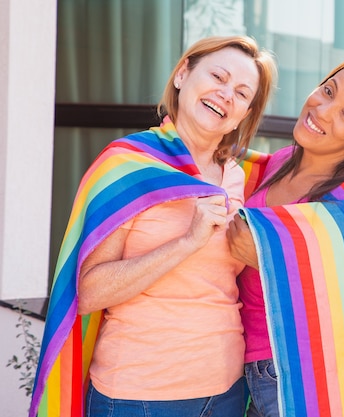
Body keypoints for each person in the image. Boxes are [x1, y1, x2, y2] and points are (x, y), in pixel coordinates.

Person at [29, 35, 277, 417]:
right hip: (137, 394)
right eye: (218, 76)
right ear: (182, 74)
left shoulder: (243, 177)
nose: (226, 94)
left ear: (245, 113)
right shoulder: (128, 166)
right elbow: (90, 291)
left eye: (242, 93)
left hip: (226, 390)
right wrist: (187, 241)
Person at [227, 54, 344, 417]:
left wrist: (267, 253)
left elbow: (343, 293)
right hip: (237, 370)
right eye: (328, 90)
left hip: (294, 379)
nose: (323, 110)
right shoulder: (279, 162)